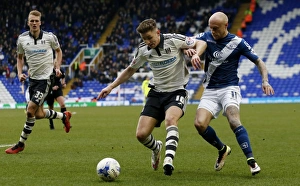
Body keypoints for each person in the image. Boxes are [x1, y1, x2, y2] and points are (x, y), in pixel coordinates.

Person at [97, 18, 200, 176]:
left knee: (171, 120)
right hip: (156, 92)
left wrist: (190, 50)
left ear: (158, 32)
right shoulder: (143, 49)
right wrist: (110, 86)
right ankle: (156, 148)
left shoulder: (174, 40)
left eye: (150, 37)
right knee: (141, 135)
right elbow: (130, 70)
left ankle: (168, 160)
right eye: (144, 39)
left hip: (177, 91)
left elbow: (199, 42)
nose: (148, 41)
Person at [189, 12, 275, 175]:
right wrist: (189, 50)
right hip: (210, 90)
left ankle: (251, 160)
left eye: (216, 28)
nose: (212, 31)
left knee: (233, 120)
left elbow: (259, 61)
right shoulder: (205, 36)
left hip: (229, 88)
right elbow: (186, 42)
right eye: (210, 28)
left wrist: (265, 80)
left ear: (225, 26)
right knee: (199, 124)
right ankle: (222, 149)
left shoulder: (237, 42)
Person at [5, 10, 72, 154]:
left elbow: (59, 51)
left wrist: (58, 67)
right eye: (31, 21)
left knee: (30, 111)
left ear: (40, 22)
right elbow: (19, 58)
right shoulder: (22, 39)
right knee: (39, 114)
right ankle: (64, 116)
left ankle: (21, 143)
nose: (34, 23)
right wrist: (19, 73)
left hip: (46, 79)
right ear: (28, 22)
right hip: (33, 80)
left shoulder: (50, 37)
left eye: (36, 21)